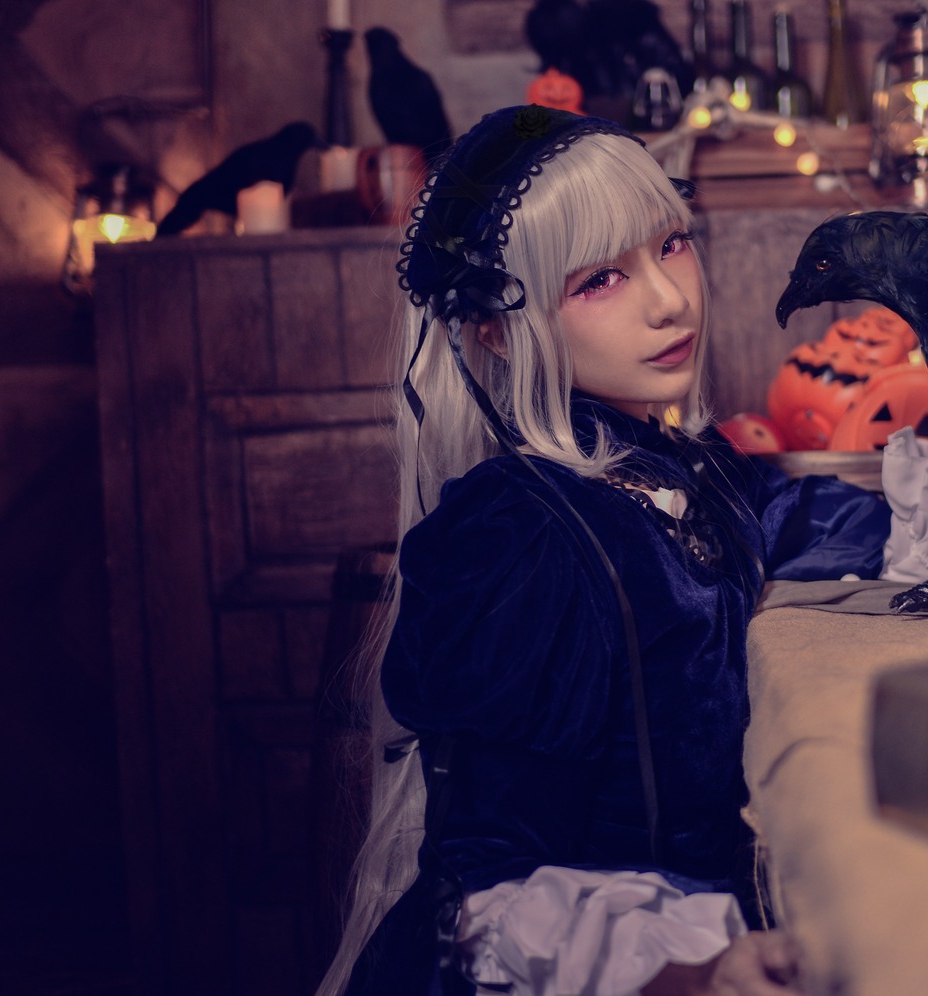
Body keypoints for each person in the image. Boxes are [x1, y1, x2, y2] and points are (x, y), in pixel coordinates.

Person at [316, 104, 892, 996]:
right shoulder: (518, 536)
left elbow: (848, 521)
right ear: (498, 331)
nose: (670, 299)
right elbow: (488, 894)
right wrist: (693, 973)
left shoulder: (675, 470)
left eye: (669, 242)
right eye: (598, 281)